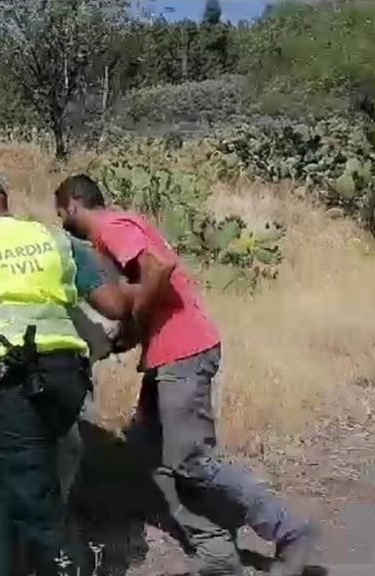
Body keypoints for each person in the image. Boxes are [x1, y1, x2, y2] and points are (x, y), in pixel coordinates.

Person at [54, 174, 318, 576]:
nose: (58, 218)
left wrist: (134, 317)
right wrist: (131, 335)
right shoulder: (123, 227)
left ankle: (290, 531)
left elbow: (159, 269)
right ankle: (216, 552)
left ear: (73, 204)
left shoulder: (110, 228)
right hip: (168, 354)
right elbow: (152, 285)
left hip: (184, 351)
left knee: (193, 461)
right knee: (152, 455)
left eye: (59, 210)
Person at [0, 172, 130, 576]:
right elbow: (112, 305)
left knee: (37, 503)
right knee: (1, 485)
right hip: (69, 379)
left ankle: (70, 567)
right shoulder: (55, 239)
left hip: (20, 381)